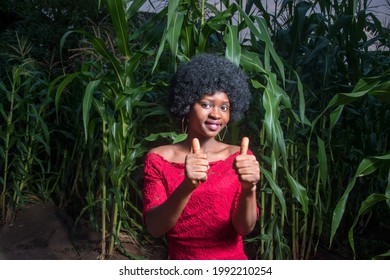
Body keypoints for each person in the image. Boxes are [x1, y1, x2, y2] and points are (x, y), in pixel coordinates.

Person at [142, 53, 260, 260]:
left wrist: (249, 188)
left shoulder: (239, 158)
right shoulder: (159, 159)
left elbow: (244, 228)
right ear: (187, 105)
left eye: (224, 107)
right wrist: (187, 185)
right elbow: (154, 228)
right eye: (206, 104)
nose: (216, 114)